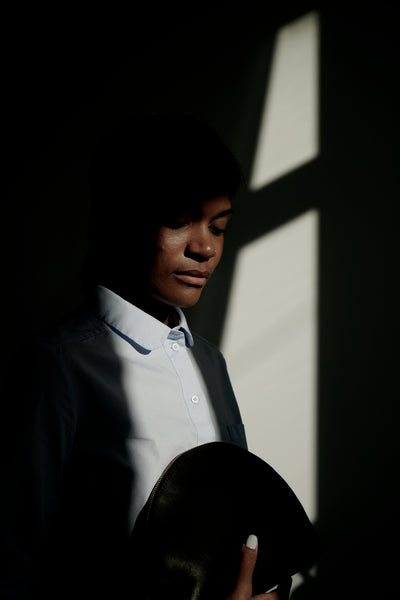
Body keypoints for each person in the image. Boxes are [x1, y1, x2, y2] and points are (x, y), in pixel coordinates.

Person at [1, 114, 290, 599]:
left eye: (218, 228)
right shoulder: (58, 365)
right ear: (123, 218)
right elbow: (13, 553)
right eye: (179, 222)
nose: (204, 248)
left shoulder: (211, 363)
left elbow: (244, 514)